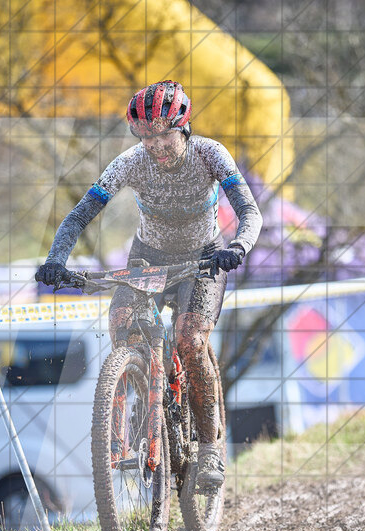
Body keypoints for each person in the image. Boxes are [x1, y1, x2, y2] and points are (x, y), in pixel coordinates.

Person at [35, 80, 262, 491]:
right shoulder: (129, 162)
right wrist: (56, 259)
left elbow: (249, 210)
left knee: (190, 340)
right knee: (121, 322)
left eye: (164, 135)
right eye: (146, 137)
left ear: (184, 127)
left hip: (204, 258)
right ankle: (139, 388)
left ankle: (209, 448)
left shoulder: (210, 154)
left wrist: (240, 246)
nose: (156, 146)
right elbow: (78, 216)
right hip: (149, 257)